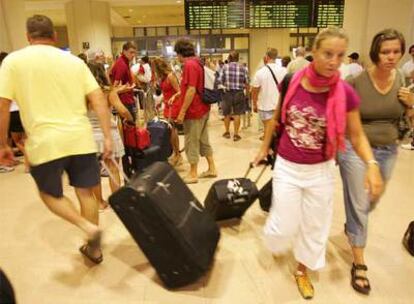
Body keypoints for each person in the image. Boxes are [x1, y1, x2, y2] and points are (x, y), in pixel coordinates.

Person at [254, 27, 384, 300]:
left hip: (321, 170)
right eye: (327, 54)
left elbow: (357, 134)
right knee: (283, 227)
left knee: (315, 227)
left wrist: (371, 163)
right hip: (288, 166)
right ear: (314, 52)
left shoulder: (345, 93)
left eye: (340, 55)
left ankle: (302, 270)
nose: (334, 61)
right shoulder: (292, 80)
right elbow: (275, 118)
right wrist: (264, 148)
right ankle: (282, 240)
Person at [0, 15, 113, 264]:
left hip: (45, 141)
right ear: (54, 36)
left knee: (49, 193)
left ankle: (87, 228)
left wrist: (3, 144)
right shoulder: (74, 62)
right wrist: (107, 136)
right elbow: (98, 98)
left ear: (28, 37)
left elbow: (3, 104)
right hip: (81, 138)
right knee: (86, 193)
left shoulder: (13, 61)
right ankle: (94, 250)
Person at [338, 28, 414, 295]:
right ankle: (359, 263)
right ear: (375, 52)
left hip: (388, 148)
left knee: (371, 200)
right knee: (360, 202)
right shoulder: (356, 82)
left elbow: (407, 118)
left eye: (396, 51)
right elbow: (349, 125)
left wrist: (411, 104)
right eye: (385, 52)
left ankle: (353, 226)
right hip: (355, 147)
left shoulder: (402, 78)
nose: (391, 57)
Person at [87, 62, 134, 210]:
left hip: (90, 136)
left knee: (93, 172)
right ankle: (117, 202)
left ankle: (100, 202)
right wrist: (130, 119)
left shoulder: (82, 94)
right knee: (113, 168)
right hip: (109, 134)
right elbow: (123, 111)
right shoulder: (108, 93)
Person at [174, 39, 217, 184]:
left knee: (191, 140)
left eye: (177, 53)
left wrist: (182, 112)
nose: (176, 57)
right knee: (203, 139)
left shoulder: (189, 65)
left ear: (181, 53)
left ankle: (193, 173)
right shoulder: (198, 62)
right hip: (203, 108)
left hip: (194, 110)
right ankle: (212, 168)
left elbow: (191, 89)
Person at [152, 57, 183, 166]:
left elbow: (180, 91)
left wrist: (173, 97)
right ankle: (175, 153)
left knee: (173, 131)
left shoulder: (171, 76)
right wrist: (160, 102)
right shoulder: (163, 78)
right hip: (167, 105)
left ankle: (178, 154)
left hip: (174, 105)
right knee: (170, 132)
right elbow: (164, 93)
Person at [251, 48, 287, 140]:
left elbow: (255, 90)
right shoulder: (284, 71)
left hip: (264, 106)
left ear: (266, 57)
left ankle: (269, 147)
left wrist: (254, 104)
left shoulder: (260, 72)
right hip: (279, 106)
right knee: (277, 129)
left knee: (267, 128)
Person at [218, 51, 249, 141]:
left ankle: (227, 132)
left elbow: (220, 81)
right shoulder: (244, 68)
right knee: (237, 114)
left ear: (229, 58)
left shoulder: (224, 67)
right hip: (239, 93)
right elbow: (247, 83)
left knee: (226, 114)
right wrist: (247, 95)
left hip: (227, 93)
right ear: (238, 58)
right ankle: (236, 134)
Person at [110, 41, 137, 120]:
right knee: (130, 127)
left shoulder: (123, 62)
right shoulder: (122, 64)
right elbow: (115, 87)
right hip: (125, 101)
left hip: (126, 99)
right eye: (131, 52)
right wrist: (127, 88)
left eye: (134, 53)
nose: (133, 55)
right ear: (124, 51)